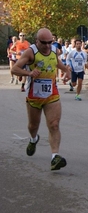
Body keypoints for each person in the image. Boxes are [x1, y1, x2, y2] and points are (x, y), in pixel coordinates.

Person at [11, 28, 71, 171]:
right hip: (34, 96)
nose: (47, 45)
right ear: (37, 41)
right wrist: (29, 73)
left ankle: (55, 157)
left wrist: (67, 71)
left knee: (54, 125)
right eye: (44, 43)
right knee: (33, 126)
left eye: (50, 42)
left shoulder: (53, 50)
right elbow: (15, 69)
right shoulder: (30, 52)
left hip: (52, 95)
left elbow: (57, 62)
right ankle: (33, 139)